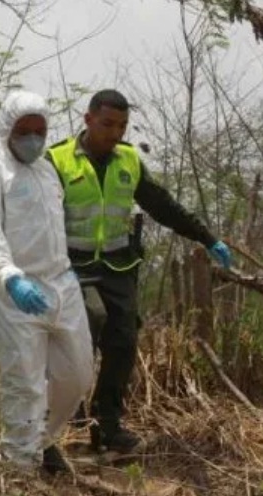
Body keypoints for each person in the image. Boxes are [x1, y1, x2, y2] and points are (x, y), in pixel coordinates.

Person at [46, 89, 232, 454]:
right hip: (71, 267)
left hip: (118, 265)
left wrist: (207, 238)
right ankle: (58, 419)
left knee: (124, 341)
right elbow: (37, 218)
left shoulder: (129, 160)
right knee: (86, 328)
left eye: (122, 126)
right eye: (107, 124)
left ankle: (107, 425)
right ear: (88, 119)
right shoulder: (57, 160)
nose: (115, 133)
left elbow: (162, 205)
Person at [0, 90, 94, 474]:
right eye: (25, 130)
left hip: (60, 285)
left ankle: (42, 440)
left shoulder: (46, 170)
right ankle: (18, 467)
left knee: (78, 375)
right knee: (26, 383)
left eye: (41, 130)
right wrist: (10, 279)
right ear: (8, 129)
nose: (34, 139)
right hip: (12, 294)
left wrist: (64, 273)